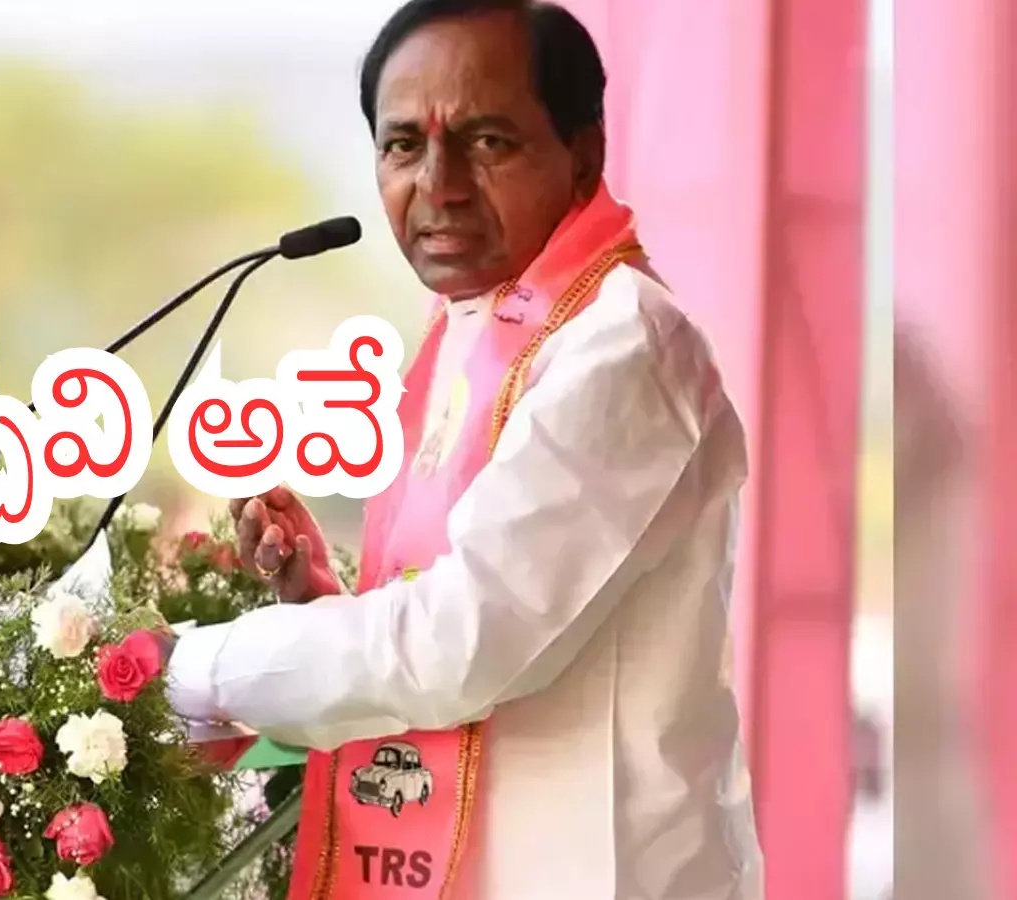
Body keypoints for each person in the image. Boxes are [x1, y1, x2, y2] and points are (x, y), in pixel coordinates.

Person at [158, 1, 765, 897]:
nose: (437, 185)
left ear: (585, 154)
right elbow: (464, 614)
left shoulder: (619, 346)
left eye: (487, 142)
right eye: (403, 145)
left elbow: (458, 645)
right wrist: (323, 603)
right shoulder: (475, 330)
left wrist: (187, 666)